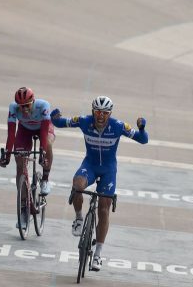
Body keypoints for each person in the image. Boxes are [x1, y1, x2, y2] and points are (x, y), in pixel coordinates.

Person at [50, 96, 148, 271]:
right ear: (92, 111)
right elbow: (60, 123)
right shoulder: (84, 121)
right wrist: (54, 116)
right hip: (90, 165)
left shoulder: (118, 126)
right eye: (97, 112)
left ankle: (97, 255)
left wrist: (142, 127)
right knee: (77, 185)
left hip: (108, 170)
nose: (100, 116)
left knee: (104, 209)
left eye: (105, 113)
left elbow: (143, 139)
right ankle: (79, 219)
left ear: (109, 114)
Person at [0, 87, 55, 228]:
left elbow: (43, 131)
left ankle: (45, 179)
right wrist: (7, 154)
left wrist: (42, 151)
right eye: (21, 107)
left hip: (43, 128)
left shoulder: (43, 105)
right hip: (24, 131)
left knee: (47, 143)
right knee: (20, 164)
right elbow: (11, 133)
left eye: (27, 106)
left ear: (33, 101)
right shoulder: (13, 107)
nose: (23, 109)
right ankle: (24, 208)